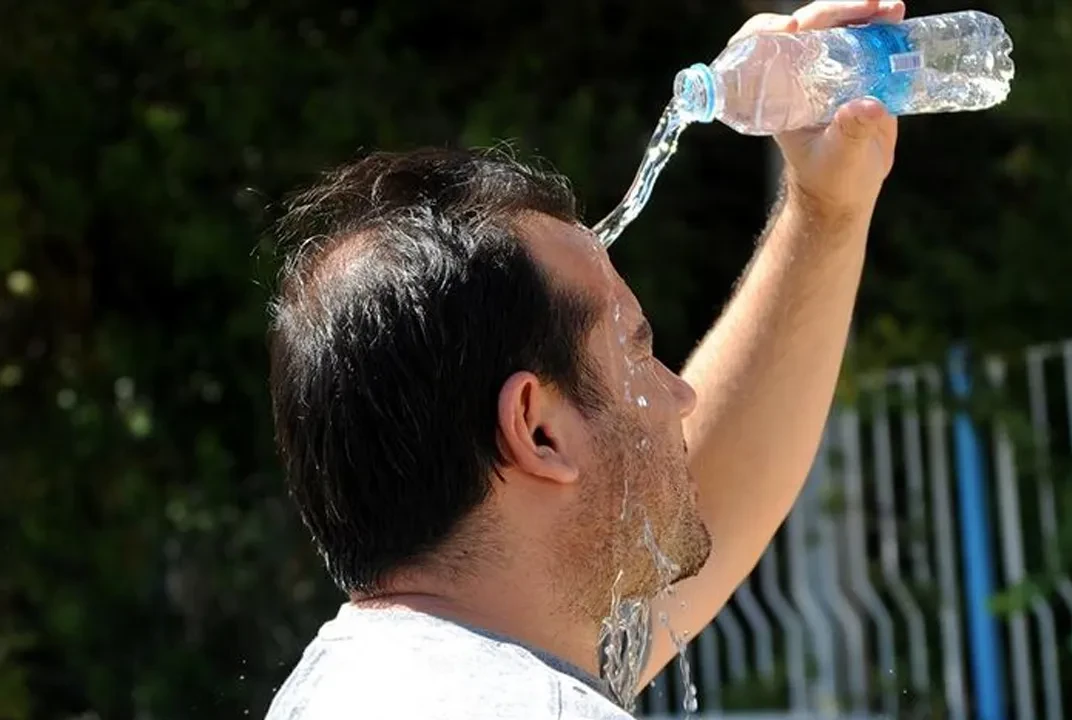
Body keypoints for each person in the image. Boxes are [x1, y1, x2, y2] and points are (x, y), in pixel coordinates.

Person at [263, 2, 903, 717]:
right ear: (538, 430)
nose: (680, 398)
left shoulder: (368, 679)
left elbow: (709, 491)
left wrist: (827, 210)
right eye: (639, 351)